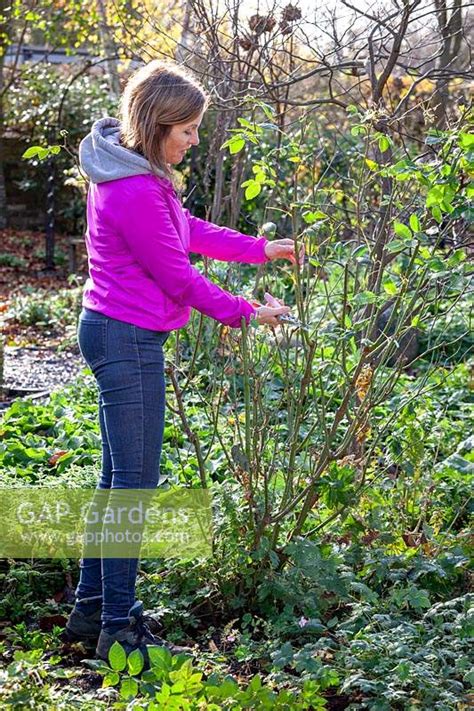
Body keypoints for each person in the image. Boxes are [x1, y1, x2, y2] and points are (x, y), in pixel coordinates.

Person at [63, 59, 301, 661]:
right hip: (127, 339)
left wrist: (258, 249)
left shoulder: (132, 172)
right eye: (188, 130)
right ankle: (120, 625)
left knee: (119, 482)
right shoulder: (136, 187)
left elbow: (184, 230)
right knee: (134, 488)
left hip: (117, 332)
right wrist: (249, 314)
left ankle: (91, 611)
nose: (194, 141)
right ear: (156, 122)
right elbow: (179, 277)